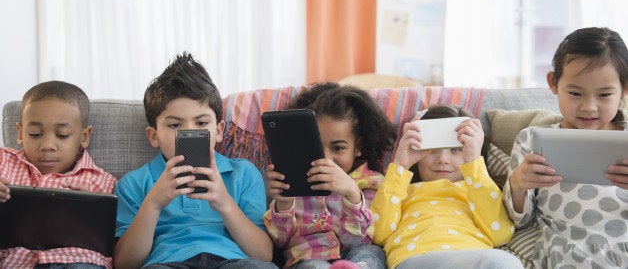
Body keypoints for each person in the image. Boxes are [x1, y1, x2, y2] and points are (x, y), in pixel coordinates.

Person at [113, 53, 277, 269]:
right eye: (174, 125)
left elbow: (263, 255)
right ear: (153, 136)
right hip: (168, 262)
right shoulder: (133, 183)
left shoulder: (244, 173)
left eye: (201, 123)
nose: (189, 132)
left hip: (232, 262)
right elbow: (125, 264)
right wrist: (153, 204)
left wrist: (224, 203)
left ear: (218, 131)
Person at [504, 27, 628, 267]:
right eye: (575, 93)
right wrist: (519, 183)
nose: (589, 107)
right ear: (553, 83)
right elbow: (519, 219)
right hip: (568, 253)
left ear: (624, 89)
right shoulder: (532, 140)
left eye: (604, 95)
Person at [371, 104, 523, 269]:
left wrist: (474, 163)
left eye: (456, 149)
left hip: (473, 259)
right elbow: (378, 234)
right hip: (416, 259)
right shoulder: (399, 189)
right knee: (503, 262)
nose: (443, 159)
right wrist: (400, 165)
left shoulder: (479, 188)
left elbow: (500, 233)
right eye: (432, 149)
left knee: (505, 262)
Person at [264, 82, 396, 269]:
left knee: (371, 253)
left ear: (358, 146)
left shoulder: (372, 182)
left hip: (356, 254)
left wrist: (352, 193)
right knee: (312, 265)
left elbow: (361, 239)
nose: (326, 158)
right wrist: (284, 203)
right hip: (309, 257)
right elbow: (279, 242)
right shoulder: (292, 181)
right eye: (315, 146)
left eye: (338, 148)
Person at [0, 80, 118, 268]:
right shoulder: (3, 162)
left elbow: (116, 245)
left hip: (76, 263)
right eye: (35, 134)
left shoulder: (104, 183)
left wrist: (90, 211)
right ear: (20, 133)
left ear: (84, 137)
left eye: (62, 135)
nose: (47, 145)